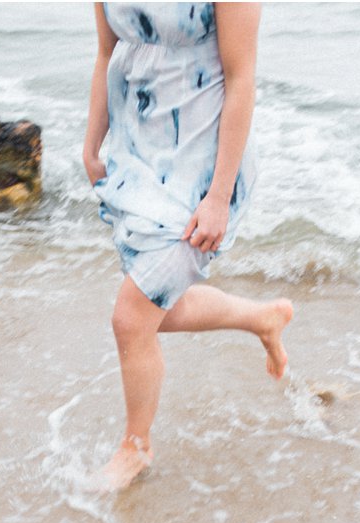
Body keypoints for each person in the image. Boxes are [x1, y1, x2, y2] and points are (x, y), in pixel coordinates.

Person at [83, 2, 293, 490]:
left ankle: (136, 448)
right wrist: (91, 145)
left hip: (201, 167)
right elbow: (104, 53)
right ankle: (263, 317)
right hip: (138, 156)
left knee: (132, 317)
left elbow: (241, 79)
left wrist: (218, 196)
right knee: (159, 309)